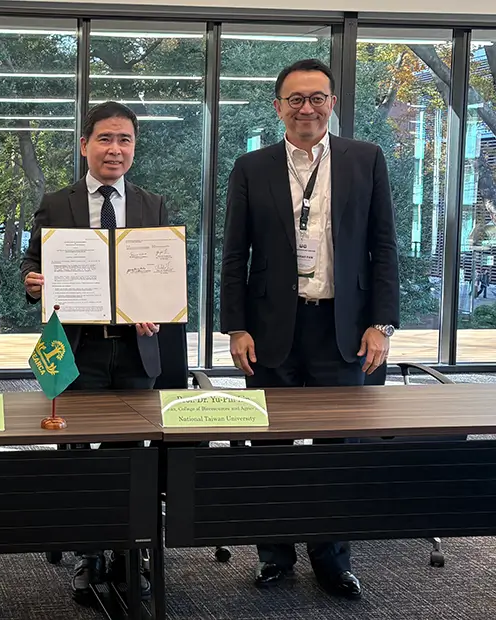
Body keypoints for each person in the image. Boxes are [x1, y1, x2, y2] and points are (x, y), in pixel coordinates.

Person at [220, 58, 400, 600]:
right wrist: (235, 328)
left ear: (332, 103)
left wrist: (381, 323)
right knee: (270, 447)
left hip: (342, 329)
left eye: (317, 97)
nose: (307, 108)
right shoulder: (251, 167)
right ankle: (274, 555)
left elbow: (384, 247)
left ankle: (332, 560)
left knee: (335, 450)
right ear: (278, 107)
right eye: (295, 99)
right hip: (272, 328)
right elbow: (234, 257)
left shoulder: (365, 160)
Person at [20, 101, 166, 602]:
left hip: (134, 351)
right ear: (84, 145)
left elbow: (161, 272)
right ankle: (89, 554)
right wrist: (34, 282)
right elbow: (33, 259)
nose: (115, 149)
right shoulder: (57, 203)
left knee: (132, 456)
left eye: (125, 140)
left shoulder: (152, 204)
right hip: (77, 351)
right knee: (78, 453)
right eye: (105, 138)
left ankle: (131, 553)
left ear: (134, 148)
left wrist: (157, 305)